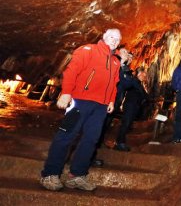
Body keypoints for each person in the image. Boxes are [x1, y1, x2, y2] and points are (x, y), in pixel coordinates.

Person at [40, 28, 123, 191]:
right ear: (104, 37)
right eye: (112, 37)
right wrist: (66, 93)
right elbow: (71, 71)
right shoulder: (88, 50)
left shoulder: (115, 61)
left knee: (91, 140)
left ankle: (77, 175)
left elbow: (114, 83)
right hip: (79, 100)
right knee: (66, 136)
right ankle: (50, 174)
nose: (114, 41)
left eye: (118, 39)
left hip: (101, 106)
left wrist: (111, 100)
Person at [114, 68, 149, 151]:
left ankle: (120, 141)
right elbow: (142, 93)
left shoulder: (138, 83)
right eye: (144, 75)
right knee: (126, 123)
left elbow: (143, 94)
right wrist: (146, 97)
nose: (145, 77)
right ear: (139, 73)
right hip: (130, 105)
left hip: (134, 105)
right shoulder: (134, 81)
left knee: (128, 123)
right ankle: (120, 142)